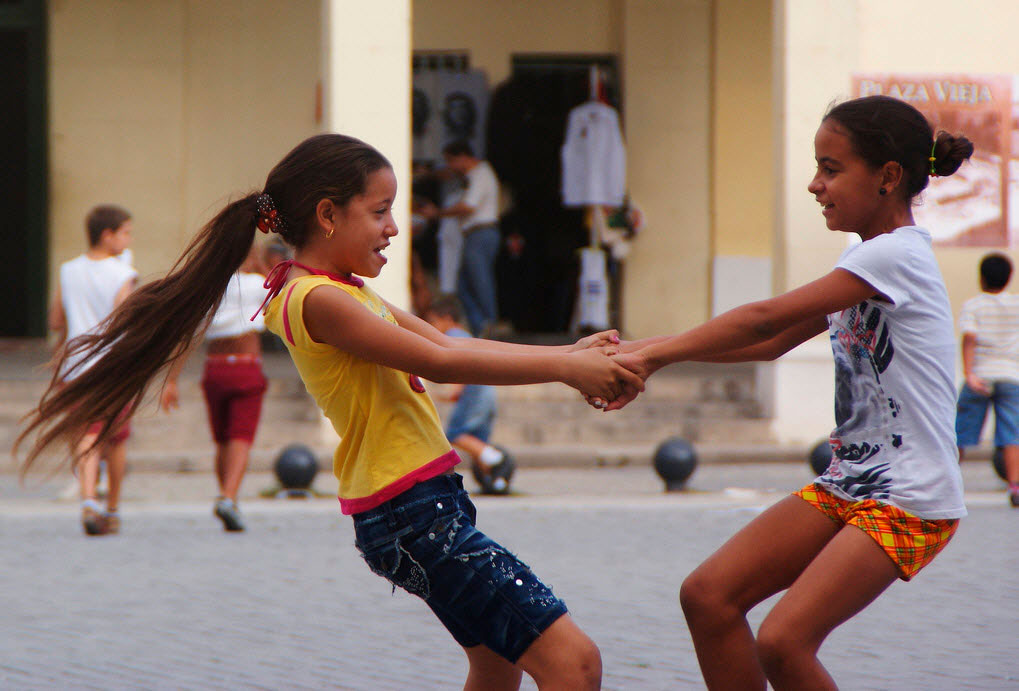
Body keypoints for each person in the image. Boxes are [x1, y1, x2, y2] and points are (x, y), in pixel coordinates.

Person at [16, 133, 643, 689]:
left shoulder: (343, 291)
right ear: (327, 214)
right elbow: (443, 364)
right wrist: (565, 368)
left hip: (422, 505)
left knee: (497, 667)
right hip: (411, 513)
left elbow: (446, 342)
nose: (394, 228)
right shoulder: (317, 300)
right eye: (380, 211)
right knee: (575, 665)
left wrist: (568, 353)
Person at [603, 95, 973, 689]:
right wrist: (641, 352)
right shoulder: (863, 257)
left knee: (783, 642)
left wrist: (651, 356)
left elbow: (763, 319)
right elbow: (773, 342)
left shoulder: (897, 255)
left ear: (887, 176)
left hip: (910, 498)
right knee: (708, 596)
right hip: (851, 482)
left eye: (831, 169)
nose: (814, 185)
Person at [160, 244, 269, 531]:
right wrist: (262, 265)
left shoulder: (211, 288)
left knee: (221, 440)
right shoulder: (256, 284)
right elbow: (280, 293)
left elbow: (188, 337)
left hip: (215, 368)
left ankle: (226, 496)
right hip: (246, 366)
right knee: (241, 437)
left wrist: (172, 380)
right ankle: (228, 497)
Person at [47, 204, 137, 536]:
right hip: (111, 367)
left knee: (86, 433)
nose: (128, 239)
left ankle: (87, 498)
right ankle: (112, 508)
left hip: (75, 366)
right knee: (116, 438)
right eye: (125, 232)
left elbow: (56, 321)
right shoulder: (123, 274)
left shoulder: (68, 270)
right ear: (107, 235)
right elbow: (125, 322)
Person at [424, 294, 513, 494]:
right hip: (486, 393)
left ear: (447, 318)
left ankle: (496, 459)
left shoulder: (452, 335)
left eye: (433, 322)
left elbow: (460, 363)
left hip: (474, 394)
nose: (432, 327)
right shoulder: (466, 334)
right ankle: (495, 479)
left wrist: (455, 389)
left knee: (455, 433)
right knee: (477, 438)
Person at [955, 252, 1019, 507]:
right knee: (1011, 434)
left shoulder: (973, 305)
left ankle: (947, 481)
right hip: (1010, 376)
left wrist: (969, 373)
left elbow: (969, 338)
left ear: (981, 278)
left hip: (980, 376)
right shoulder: (1016, 305)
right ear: (1009, 278)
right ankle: (1015, 486)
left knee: (961, 432)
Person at [420, 140, 500, 337]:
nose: (451, 166)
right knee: (463, 285)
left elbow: (468, 206)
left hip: (481, 233)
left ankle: (491, 323)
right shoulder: (472, 176)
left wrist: (437, 213)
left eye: (451, 161)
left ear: (463, 157)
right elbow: (446, 174)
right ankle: (480, 325)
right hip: (474, 235)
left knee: (480, 281)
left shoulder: (481, 174)